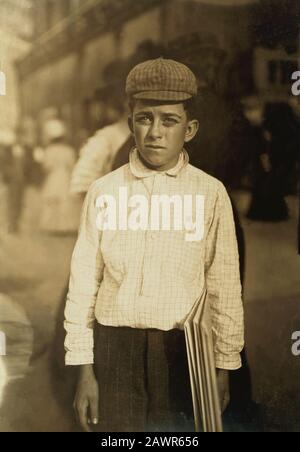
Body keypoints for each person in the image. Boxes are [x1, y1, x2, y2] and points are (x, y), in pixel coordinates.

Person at [64, 58, 244, 432]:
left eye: (169, 120)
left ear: (190, 128)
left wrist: (224, 365)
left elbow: (225, 285)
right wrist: (84, 370)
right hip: (114, 350)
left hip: (182, 351)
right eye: (145, 118)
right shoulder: (104, 192)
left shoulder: (209, 193)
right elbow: (83, 284)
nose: (155, 133)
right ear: (130, 124)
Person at [39, 119, 81, 234]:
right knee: (64, 201)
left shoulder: (49, 150)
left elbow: (46, 166)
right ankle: (64, 226)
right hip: (65, 177)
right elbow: (72, 166)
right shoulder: (69, 151)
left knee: (52, 200)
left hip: (53, 177)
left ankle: (52, 226)